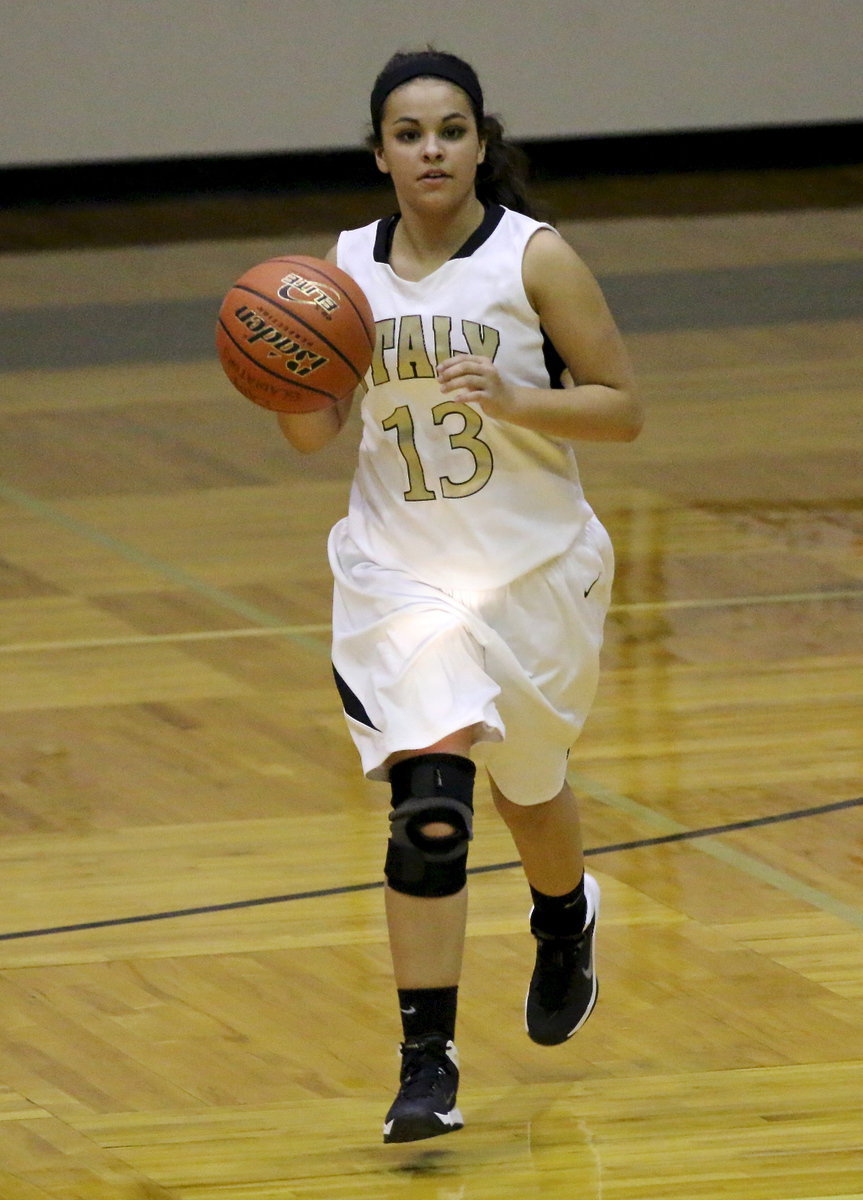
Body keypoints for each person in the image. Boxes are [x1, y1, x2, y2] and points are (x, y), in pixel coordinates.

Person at [277, 48, 642, 1144]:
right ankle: (424, 1065)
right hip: (400, 576)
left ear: (480, 142)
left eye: (448, 130)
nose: (428, 150)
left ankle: (560, 916)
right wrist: (282, 370)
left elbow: (620, 409)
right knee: (430, 808)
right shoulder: (341, 273)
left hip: (531, 572)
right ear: (378, 152)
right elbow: (309, 436)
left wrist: (520, 399)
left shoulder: (533, 260)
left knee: (529, 791)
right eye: (406, 133)